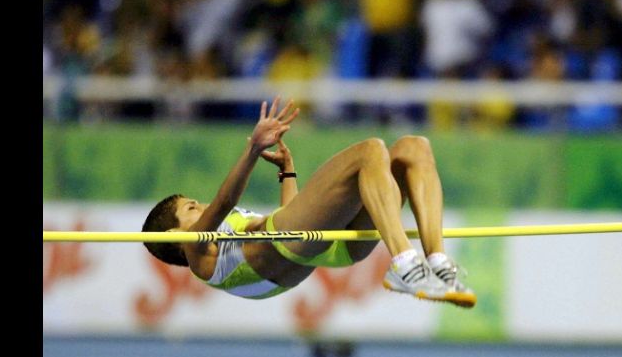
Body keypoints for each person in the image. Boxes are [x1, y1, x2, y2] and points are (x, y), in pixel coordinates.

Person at [142, 97, 476, 308]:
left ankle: (439, 264)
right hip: (295, 244)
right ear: (174, 237)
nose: (199, 208)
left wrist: (288, 173)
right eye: (190, 209)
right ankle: (404, 263)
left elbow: (296, 221)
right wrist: (253, 150)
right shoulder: (199, 255)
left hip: (324, 246)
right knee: (370, 150)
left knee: (413, 148)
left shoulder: (229, 238)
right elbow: (226, 200)